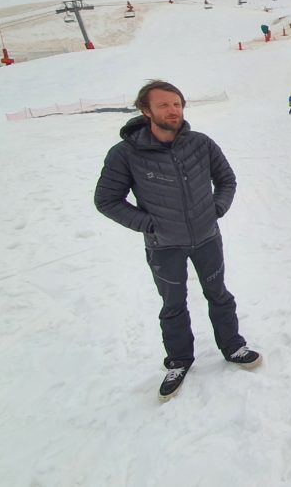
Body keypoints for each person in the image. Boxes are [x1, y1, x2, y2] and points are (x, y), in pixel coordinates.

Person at [94, 80, 261, 401]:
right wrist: (150, 225)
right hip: (164, 246)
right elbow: (106, 200)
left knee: (219, 294)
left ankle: (233, 346)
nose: (173, 110)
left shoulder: (200, 144)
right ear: (146, 111)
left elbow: (226, 180)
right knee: (173, 305)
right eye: (164, 105)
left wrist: (216, 208)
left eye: (177, 104)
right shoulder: (125, 154)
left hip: (207, 238)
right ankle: (179, 360)